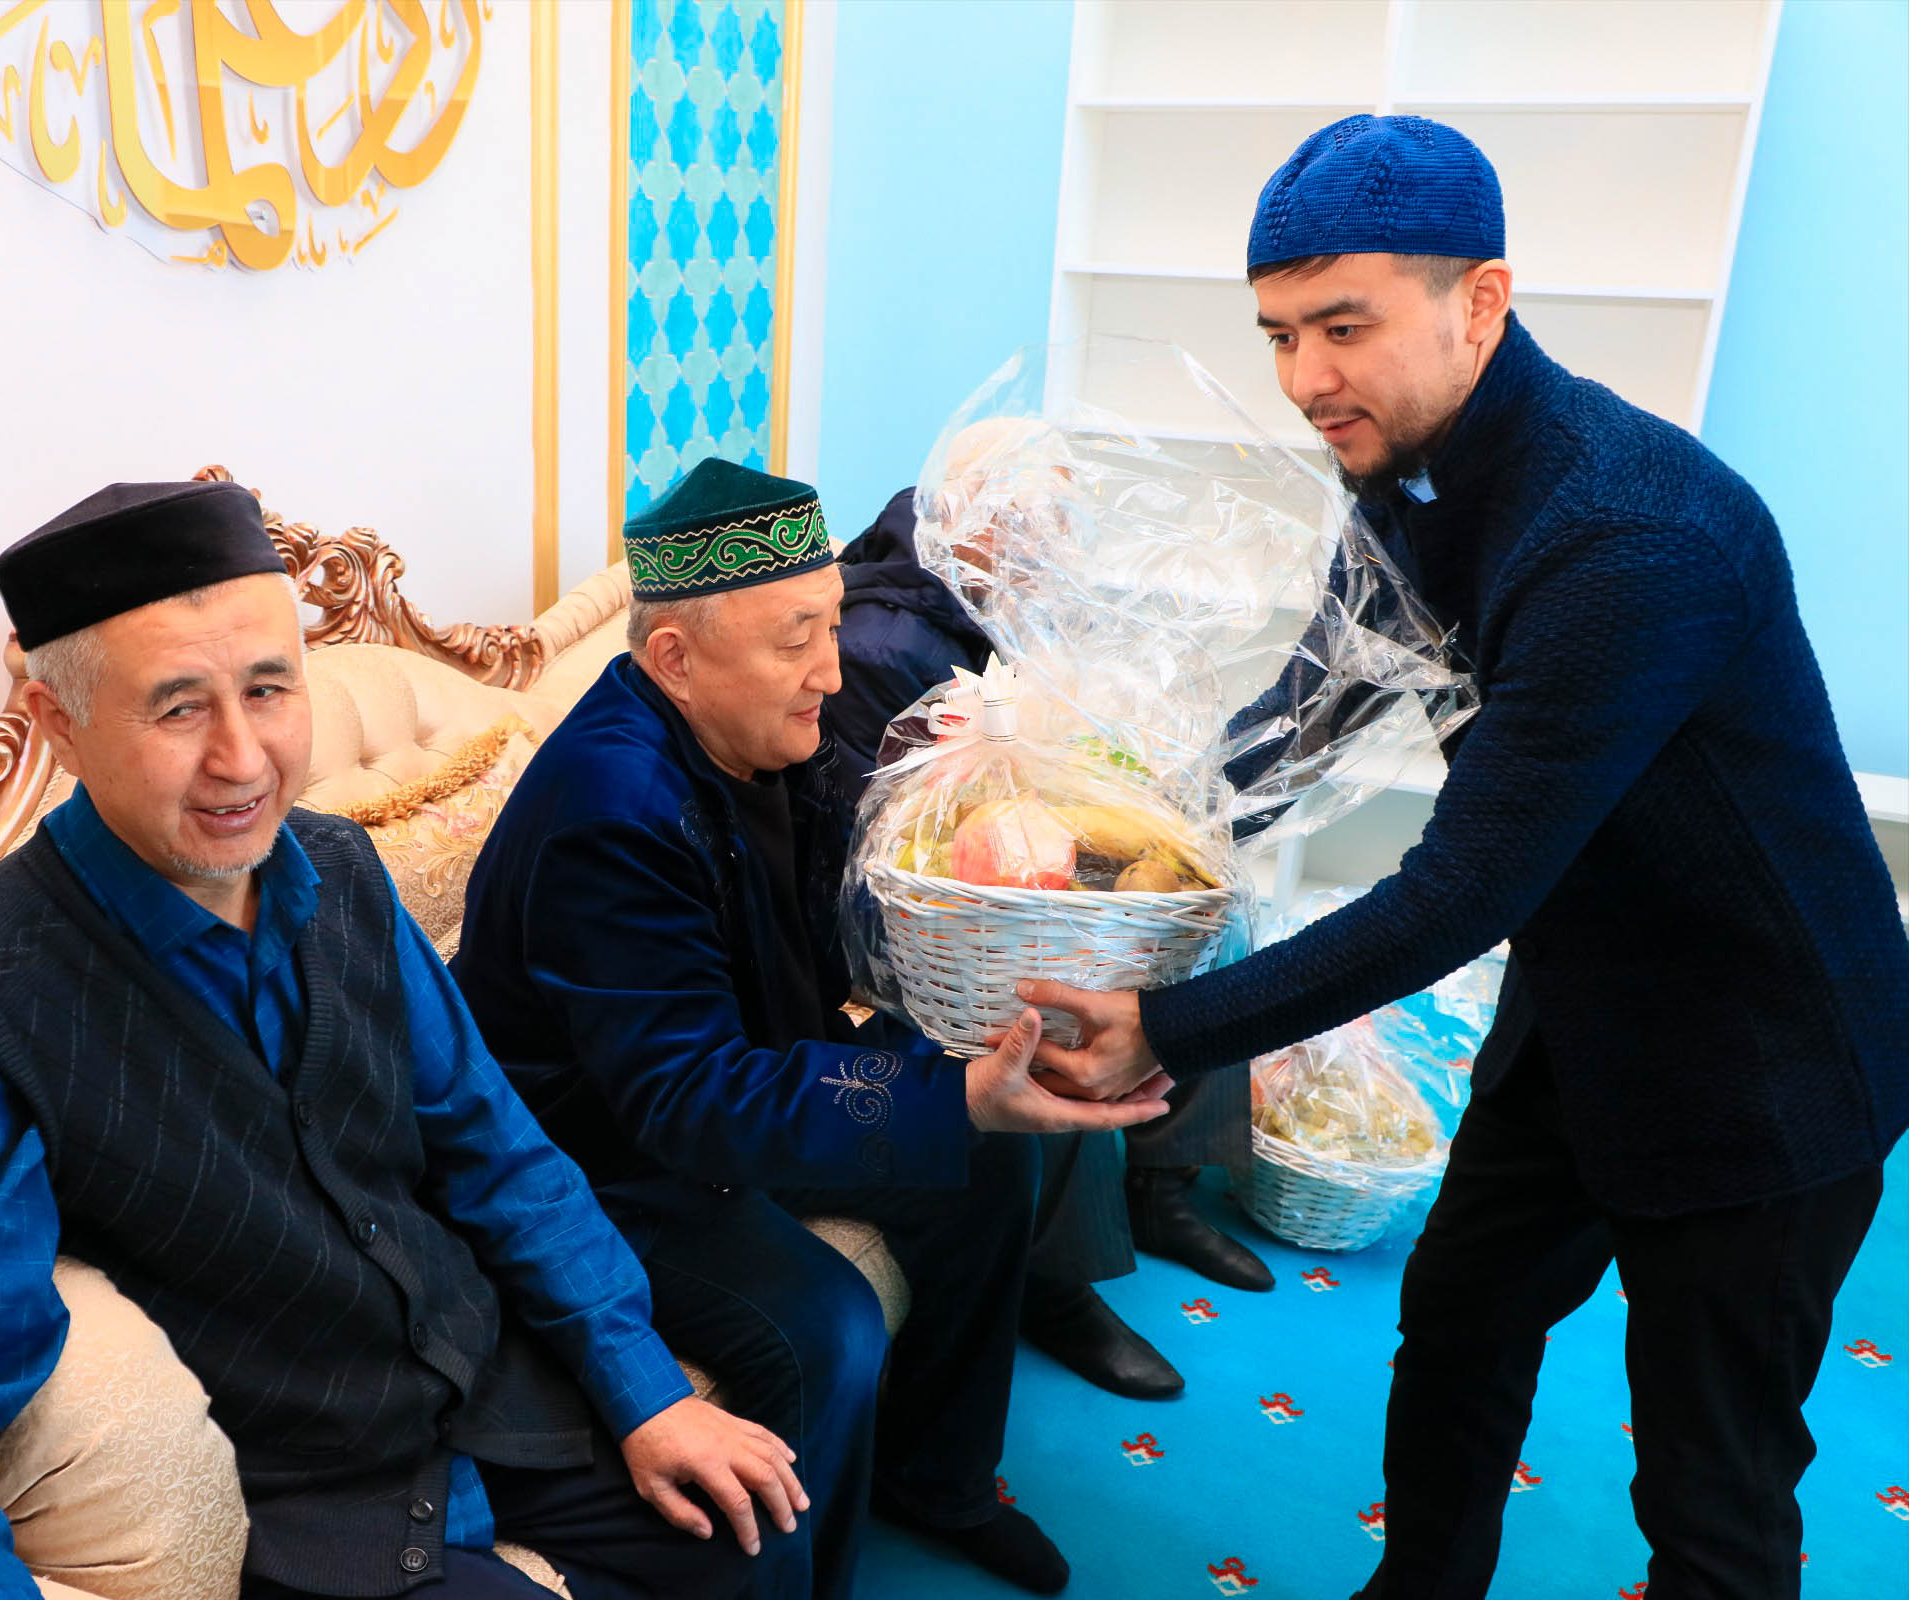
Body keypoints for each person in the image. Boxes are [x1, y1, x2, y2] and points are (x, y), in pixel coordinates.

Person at [1017, 117, 1909, 1600]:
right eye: (1280, 335)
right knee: (1460, 1324)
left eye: (1344, 326)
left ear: (1481, 301)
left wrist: (1163, 1029)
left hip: (1762, 1060)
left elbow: (1462, 891)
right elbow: (1306, 712)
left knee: (1712, 1476)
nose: (1306, 380)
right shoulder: (1409, 469)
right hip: (1582, 1006)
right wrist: (1109, 841)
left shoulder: (1628, 533)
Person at [0, 480, 808, 1600]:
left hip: (493, 1395)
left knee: (758, 1530)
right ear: (59, 725)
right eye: (177, 709)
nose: (244, 759)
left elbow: (498, 1152)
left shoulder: (339, 871)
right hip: (321, 1501)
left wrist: (647, 1390)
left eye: (268, 689)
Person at [449, 458, 1177, 1599]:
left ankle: (939, 1484)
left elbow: (872, 892)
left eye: (832, 625)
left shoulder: (770, 735)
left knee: (986, 1160)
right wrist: (952, 1092)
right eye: (798, 640)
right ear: (674, 659)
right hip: (600, 1155)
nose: (833, 673)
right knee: (824, 1326)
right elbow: (687, 1100)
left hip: (733, 1076)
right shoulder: (612, 811)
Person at [826, 448, 1274, 1405]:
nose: (1063, 555)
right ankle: (1059, 1285)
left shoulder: (984, 595)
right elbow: (883, 833)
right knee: (1052, 993)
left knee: (1208, 920)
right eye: (1047, 534)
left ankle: (1163, 1183)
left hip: (1002, 873)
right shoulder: (879, 644)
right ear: (980, 527)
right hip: (916, 923)